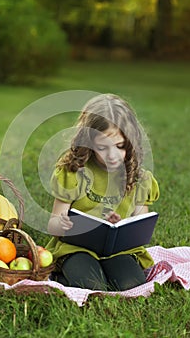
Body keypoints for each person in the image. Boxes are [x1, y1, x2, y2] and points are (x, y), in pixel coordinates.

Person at [46, 93, 159, 291]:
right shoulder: (75, 172)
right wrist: (63, 224)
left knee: (132, 284)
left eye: (120, 146)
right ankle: (60, 276)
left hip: (119, 251)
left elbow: (140, 227)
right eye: (102, 148)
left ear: (130, 143)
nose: (112, 155)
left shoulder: (139, 178)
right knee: (91, 285)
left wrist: (122, 226)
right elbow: (53, 225)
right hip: (78, 249)